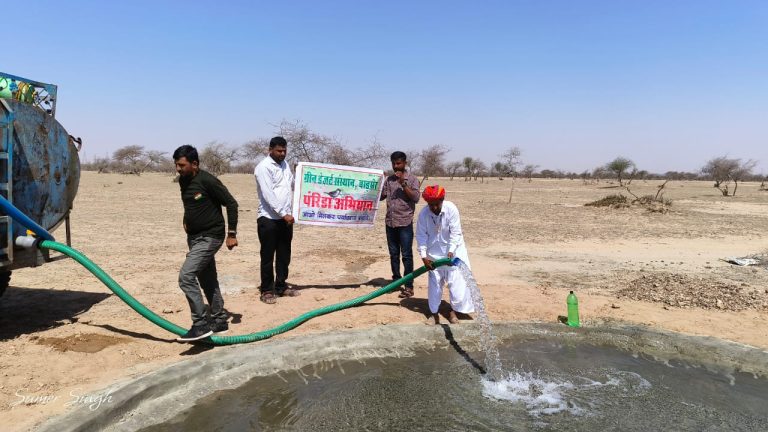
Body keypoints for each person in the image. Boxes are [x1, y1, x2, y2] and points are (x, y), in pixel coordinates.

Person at [173, 145, 239, 342]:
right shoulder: (184, 180)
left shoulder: (208, 180)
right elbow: (191, 203)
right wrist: (187, 219)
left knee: (186, 276)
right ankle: (219, 320)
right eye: (176, 165)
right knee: (207, 278)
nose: (178, 168)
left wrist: (232, 233)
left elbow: (232, 203)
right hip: (194, 238)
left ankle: (200, 323)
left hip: (211, 236)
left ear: (195, 164)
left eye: (182, 165)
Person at [415, 185, 475, 325]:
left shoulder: (451, 209)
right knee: (435, 285)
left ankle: (453, 311)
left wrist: (451, 251)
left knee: (457, 285)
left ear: (442, 200)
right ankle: (433, 314)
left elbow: (455, 232)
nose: (434, 208)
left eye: (436, 204)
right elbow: (421, 236)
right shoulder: (423, 214)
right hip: (433, 255)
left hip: (453, 254)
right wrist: (424, 256)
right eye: (431, 205)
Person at [254, 136, 299, 304]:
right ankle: (266, 289)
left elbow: (292, 185)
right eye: (279, 151)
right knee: (267, 255)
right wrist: (282, 213)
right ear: (270, 150)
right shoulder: (263, 167)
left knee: (284, 254)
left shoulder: (285, 165)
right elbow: (268, 195)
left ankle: (281, 286)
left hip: (285, 219)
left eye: (284, 150)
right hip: (269, 218)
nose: (282, 154)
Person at [379, 151, 420, 298]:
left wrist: (403, 183)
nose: (396, 166)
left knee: (407, 255)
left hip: (405, 223)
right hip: (390, 223)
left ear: (405, 163)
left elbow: (415, 198)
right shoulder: (389, 180)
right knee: (393, 254)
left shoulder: (413, 179)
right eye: (393, 163)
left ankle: (408, 286)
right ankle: (396, 282)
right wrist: (378, 180)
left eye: (399, 163)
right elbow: (381, 196)